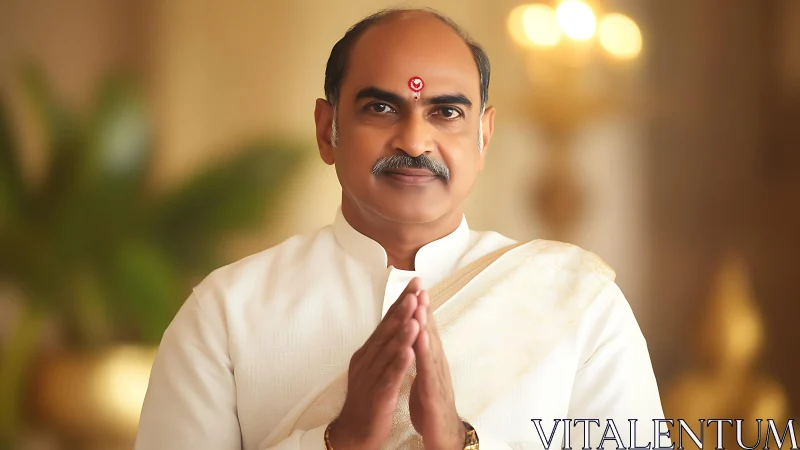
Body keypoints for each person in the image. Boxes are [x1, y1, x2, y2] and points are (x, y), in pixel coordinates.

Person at [135, 8, 664, 450]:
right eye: (381, 107)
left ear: (484, 136)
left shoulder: (576, 303)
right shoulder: (226, 313)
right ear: (328, 130)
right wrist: (339, 440)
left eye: (446, 112)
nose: (414, 142)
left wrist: (459, 442)